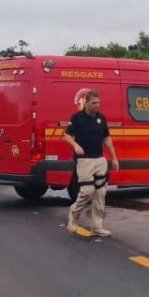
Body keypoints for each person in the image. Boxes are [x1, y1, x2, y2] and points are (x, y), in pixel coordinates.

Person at [64, 89, 119, 237]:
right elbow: (67, 136)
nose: (97, 106)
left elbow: (106, 138)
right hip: (84, 160)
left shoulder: (101, 118)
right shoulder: (77, 118)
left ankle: (97, 227)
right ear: (86, 103)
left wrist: (114, 157)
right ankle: (73, 213)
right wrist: (75, 145)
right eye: (94, 103)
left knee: (100, 194)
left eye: (98, 103)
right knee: (87, 192)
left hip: (99, 159)